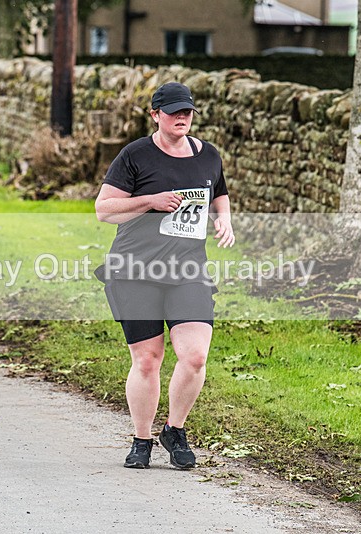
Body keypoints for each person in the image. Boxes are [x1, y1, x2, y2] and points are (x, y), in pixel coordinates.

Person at [94, 82, 235, 469]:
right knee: (148, 359)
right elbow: (104, 209)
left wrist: (224, 219)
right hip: (136, 269)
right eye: (173, 111)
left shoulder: (208, 155)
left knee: (194, 356)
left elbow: (217, 190)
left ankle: (175, 430)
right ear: (155, 115)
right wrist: (150, 201)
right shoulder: (135, 155)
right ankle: (142, 439)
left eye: (187, 111)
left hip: (188, 269)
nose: (182, 117)